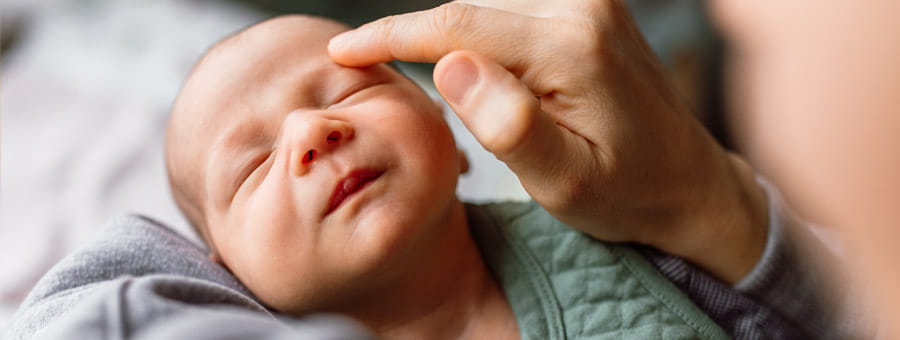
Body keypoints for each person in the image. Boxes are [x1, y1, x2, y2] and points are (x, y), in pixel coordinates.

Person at [161, 14, 825, 339]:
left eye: (345, 94)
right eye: (251, 166)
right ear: (225, 273)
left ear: (457, 136)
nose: (312, 131)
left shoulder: (617, 231)